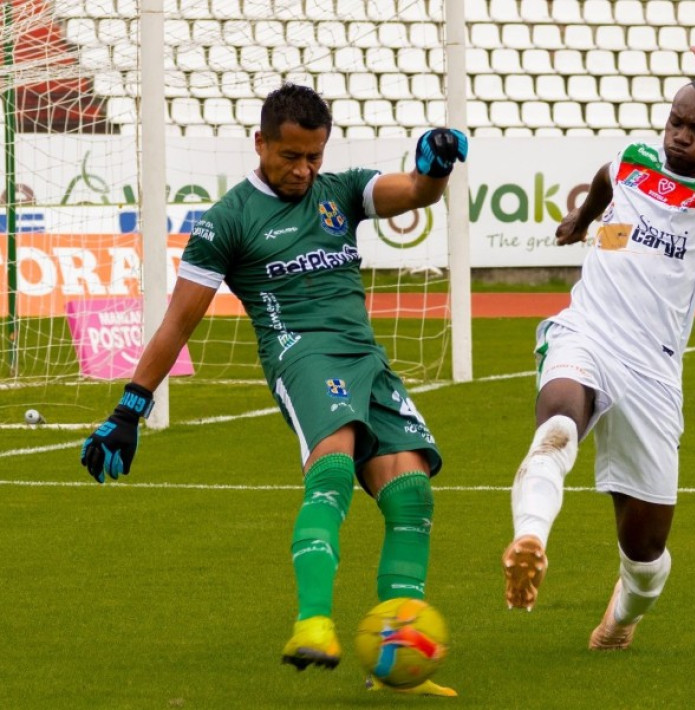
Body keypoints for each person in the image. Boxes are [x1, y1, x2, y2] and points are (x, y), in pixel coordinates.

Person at [80, 83, 467, 697]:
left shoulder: (338, 191)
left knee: (412, 490)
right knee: (335, 462)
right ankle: (312, 623)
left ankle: (396, 660)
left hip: (365, 357)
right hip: (301, 354)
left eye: (314, 156)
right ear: (260, 143)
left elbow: (417, 192)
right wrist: (131, 406)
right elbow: (179, 321)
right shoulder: (228, 221)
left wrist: (436, 164)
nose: (304, 170)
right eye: (291, 156)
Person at [502, 19, 695, 652]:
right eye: (676, 123)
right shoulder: (635, 160)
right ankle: (530, 538)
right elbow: (608, 177)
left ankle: (623, 613)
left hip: (654, 373)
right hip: (585, 331)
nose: (681, 136)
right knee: (556, 425)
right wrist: (582, 220)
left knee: (645, 550)